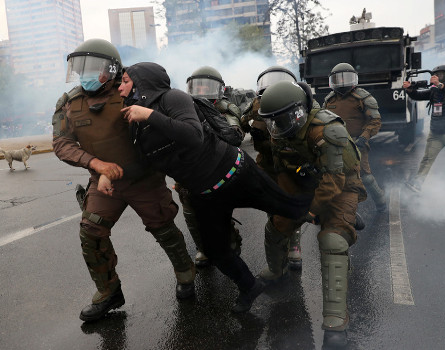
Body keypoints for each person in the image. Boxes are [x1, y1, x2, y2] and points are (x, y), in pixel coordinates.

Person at [117, 62, 310, 313]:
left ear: (142, 84)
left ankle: (331, 215)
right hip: (205, 194)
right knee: (215, 250)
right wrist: (109, 174)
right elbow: (146, 163)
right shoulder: (135, 124)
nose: (120, 88)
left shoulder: (173, 98)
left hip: (234, 173)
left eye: (124, 81)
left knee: (289, 208)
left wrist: (150, 115)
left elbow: (192, 135)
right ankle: (249, 287)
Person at [52, 39, 196, 323]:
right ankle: (108, 292)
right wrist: (96, 164)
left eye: (91, 68)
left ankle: (185, 275)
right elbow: (61, 144)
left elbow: (166, 127)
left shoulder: (133, 92)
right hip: (105, 183)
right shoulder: (68, 103)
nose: (84, 74)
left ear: (112, 68)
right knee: (91, 233)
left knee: (163, 229)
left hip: (144, 177)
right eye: (79, 68)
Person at [257, 80, 366, 342]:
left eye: (283, 118)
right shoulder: (279, 133)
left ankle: (336, 318)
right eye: (272, 121)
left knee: (333, 240)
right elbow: (279, 170)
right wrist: (283, 204)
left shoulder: (327, 130)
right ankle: (277, 269)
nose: (277, 125)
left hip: (341, 186)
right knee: (276, 226)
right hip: (304, 184)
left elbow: (334, 181)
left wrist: (312, 211)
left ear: (299, 110)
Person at [241, 66, 308, 270]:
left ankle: (294, 247)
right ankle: (279, 254)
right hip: (267, 163)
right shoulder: (256, 104)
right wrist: (252, 127)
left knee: (291, 203)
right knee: (271, 205)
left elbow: (306, 125)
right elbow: (243, 122)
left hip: (289, 162)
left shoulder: (297, 102)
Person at [178, 66, 244, 267]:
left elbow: (235, 134)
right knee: (191, 213)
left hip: (219, 168)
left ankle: (231, 242)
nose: (202, 91)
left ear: (219, 89)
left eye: (207, 86)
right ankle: (203, 248)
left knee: (219, 212)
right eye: (197, 87)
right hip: (190, 170)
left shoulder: (225, 109)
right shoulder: (181, 107)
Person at [324, 63, 386, 211]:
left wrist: (363, 138)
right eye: (339, 79)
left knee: (364, 175)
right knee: (332, 175)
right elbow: (323, 120)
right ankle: (336, 208)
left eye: (346, 78)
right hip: (334, 143)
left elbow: (375, 121)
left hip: (357, 142)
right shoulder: (329, 100)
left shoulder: (363, 97)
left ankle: (381, 202)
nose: (343, 82)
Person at [403, 65, 445, 192]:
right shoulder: (435, 90)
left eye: (440, 74)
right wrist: (410, 90)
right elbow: (418, 95)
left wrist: (440, 85)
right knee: (427, 158)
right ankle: (417, 183)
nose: (437, 76)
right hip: (436, 133)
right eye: (435, 74)